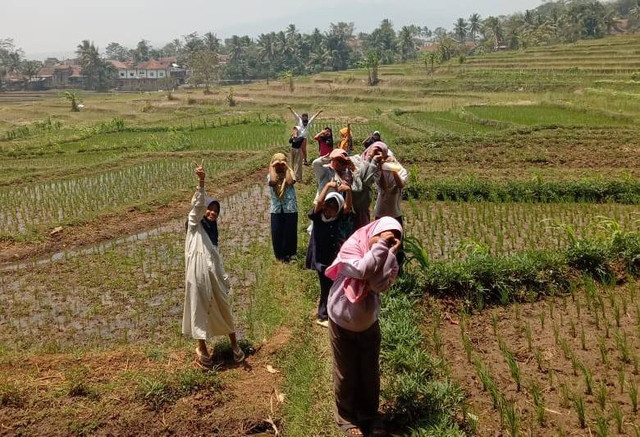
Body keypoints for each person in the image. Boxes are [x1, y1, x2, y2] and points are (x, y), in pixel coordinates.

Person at [325, 217, 403, 437]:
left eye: (394, 238)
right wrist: (380, 246)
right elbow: (361, 270)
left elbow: (378, 284)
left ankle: (369, 414)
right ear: (373, 232)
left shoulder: (391, 259)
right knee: (346, 371)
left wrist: (388, 253)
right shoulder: (352, 246)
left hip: (368, 321)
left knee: (369, 372)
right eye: (384, 235)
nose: (389, 241)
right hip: (341, 320)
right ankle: (346, 416)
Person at [183, 163, 245, 369]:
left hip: (213, 278)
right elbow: (198, 206)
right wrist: (201, 182)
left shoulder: (213, 236)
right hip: (197, 277)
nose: (212, 213)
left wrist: (225, 280)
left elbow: (217, 262)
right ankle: (202, 350)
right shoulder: (195, 226)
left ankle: (235, 346)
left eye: (216, 211)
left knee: (224, 308)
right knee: (198, 310)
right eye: (210, 209)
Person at [306, 181, 354, 328]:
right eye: (328, 205)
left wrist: (349, 191)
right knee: (325, 286)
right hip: (320, 258)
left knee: (335, 285)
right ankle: (322, 315)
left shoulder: (339, 218)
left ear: (338, 209)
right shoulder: (318, 217)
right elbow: (319, 202)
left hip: (333, 258)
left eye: (333, 207)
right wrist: (328, 186)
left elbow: (347, 208)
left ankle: (332, 311)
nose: (328, 209)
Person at [373, 142, 408, 268]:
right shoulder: (377, 171)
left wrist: (393, 170)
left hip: (395, 211)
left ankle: (397, 267)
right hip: (381, 211)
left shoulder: (401, 170)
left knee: (397, 241)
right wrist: (382, 169)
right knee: (380, 240)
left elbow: (401, 184)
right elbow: (383, 187)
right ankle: (381, 266)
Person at [268, 153, 298, 262]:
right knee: (277, 231)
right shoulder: (271, 174)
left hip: (290, 207)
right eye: (277, 163)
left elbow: (289, 181)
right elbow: (273, 181)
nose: (280, 166)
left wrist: (286, 168)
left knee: (290, 230)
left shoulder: (290, 172)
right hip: (276, 208)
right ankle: (279, 255)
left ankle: (291, 254)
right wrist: (271, 167)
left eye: (282, 163)